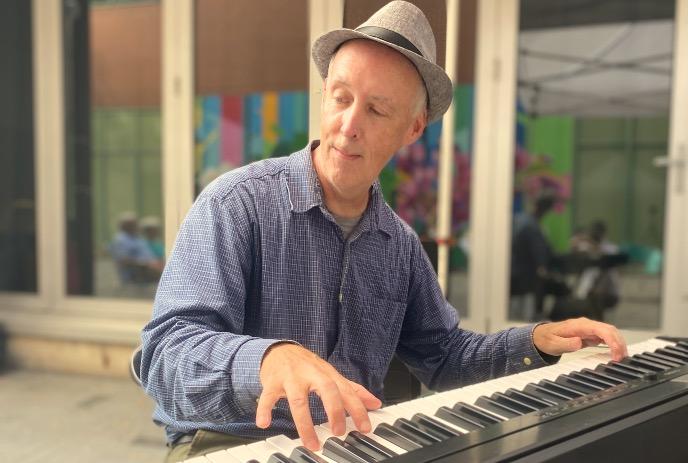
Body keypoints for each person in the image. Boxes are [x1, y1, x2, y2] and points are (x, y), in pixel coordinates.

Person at [140, 2, 627, 462]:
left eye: (376, 111)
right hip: (229, 442)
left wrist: (537, 340)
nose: (348, 126)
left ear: (412, 129)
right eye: (341, 98)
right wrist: (266, 360)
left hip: (350, 446)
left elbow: (444, 355)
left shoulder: (399, 245)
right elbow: (164, 356)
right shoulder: (236, 204)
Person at [110, 212, 163, 285]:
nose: (135, 226)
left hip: (151, 268)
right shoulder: (120, 240)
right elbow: (123, 260)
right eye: (131, 224)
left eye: (135, 223)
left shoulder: (138, 238)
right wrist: (146, 264)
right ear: (123, 226)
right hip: (138, 272)